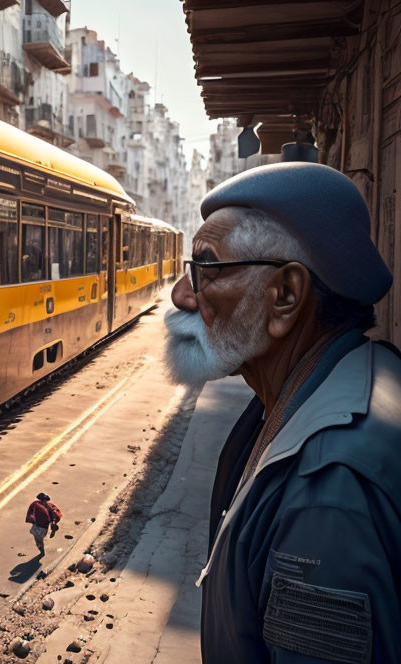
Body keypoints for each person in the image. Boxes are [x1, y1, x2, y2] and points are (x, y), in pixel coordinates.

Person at [164, 162, 401, 663]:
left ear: (286, 297)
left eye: (205, 269)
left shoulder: (329, 490)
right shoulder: (332, 381)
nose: (182, 294)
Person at [25, 492, 62, 557]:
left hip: (43, 526)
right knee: (37, 538)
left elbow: (56, 515)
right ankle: (41, 549)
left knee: (39, 539)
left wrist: (53, 522)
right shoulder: (35, 504)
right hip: (37, 524)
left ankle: (41, 550)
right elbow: (31, 511)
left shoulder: (50, 506)